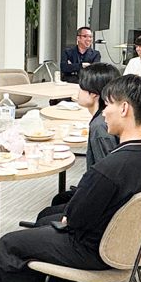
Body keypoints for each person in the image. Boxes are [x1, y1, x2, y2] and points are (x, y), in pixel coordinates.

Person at [0, 75, 141, 282]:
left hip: (94, 249)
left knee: (9, 245)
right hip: (124, 244)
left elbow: (75, 219)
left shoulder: (109, 169)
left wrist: (68, 218)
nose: (104, 112)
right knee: (46, 221)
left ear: (124, 109)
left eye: (108, 105)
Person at [33, 62, 119, 218]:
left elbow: (106, 178)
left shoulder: (100, 127)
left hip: (101, 204)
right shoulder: (104, 119)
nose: (77, 92)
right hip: (99, 194)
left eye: (81, 88)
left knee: (44, 216)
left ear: (94, 94)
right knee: (59, 199)